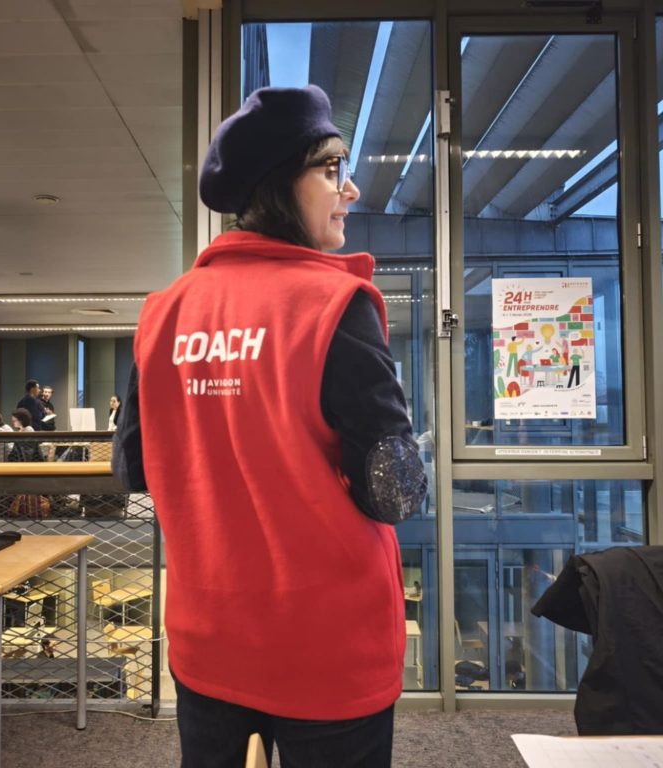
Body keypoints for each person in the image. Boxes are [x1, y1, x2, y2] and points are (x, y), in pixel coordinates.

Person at [112, 85, 427, 768]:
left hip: (210, 636)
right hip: (329, 646)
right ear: (281, 183)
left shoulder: (163, 314)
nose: (352, 188)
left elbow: (136, 470)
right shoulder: (335, 303)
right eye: (332, 167)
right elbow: (395, 493)